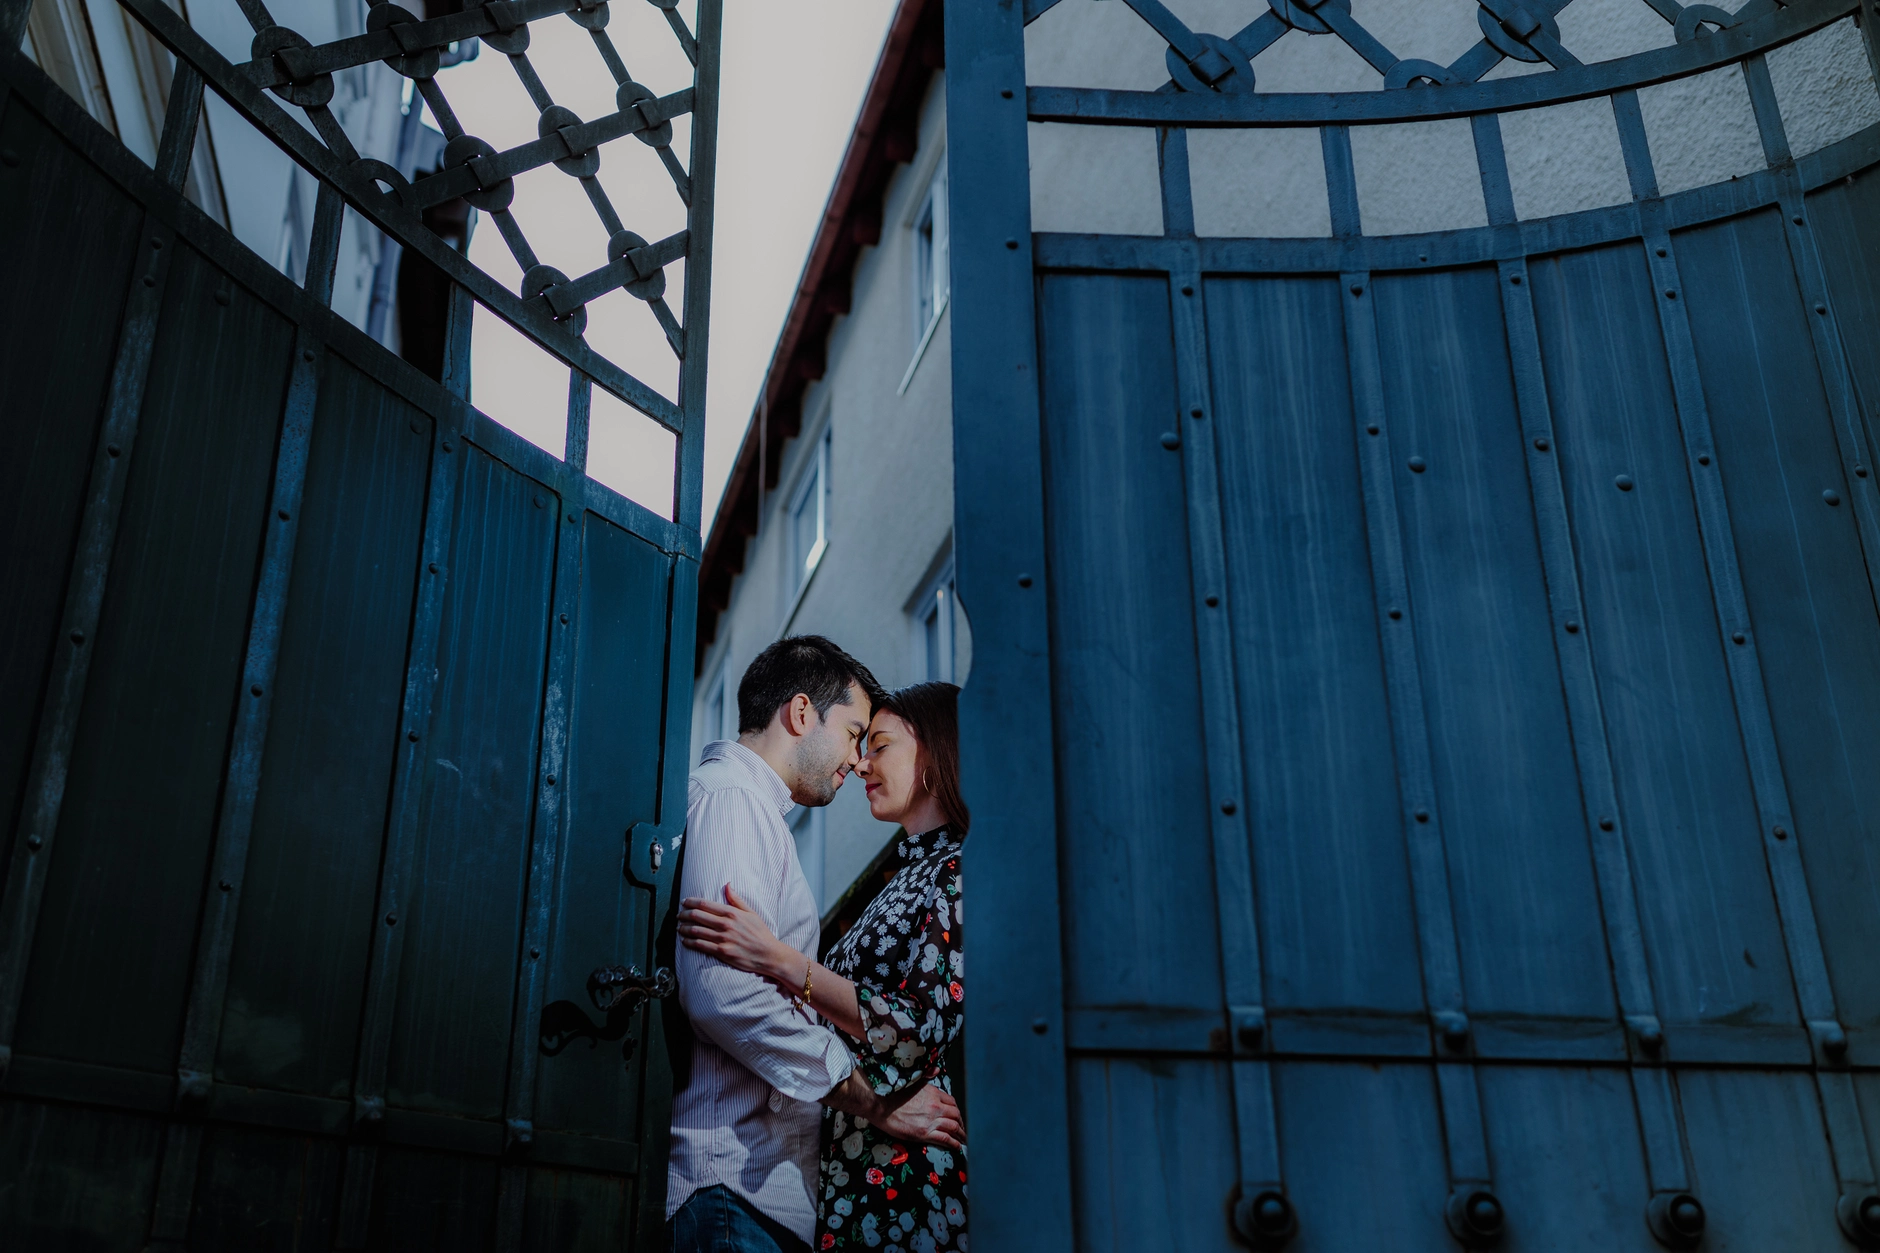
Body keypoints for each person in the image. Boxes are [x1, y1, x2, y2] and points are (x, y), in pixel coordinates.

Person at [670, 639, 964, 1253]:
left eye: (876, 744)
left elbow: (921, 1023)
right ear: (802, 713)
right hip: (745, 1178)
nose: (858, 762)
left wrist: (783, 960)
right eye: (857, 736)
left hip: (866, 1177)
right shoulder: (737, 801)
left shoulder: (947, 871)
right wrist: (869, 1101)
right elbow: (724, 991)